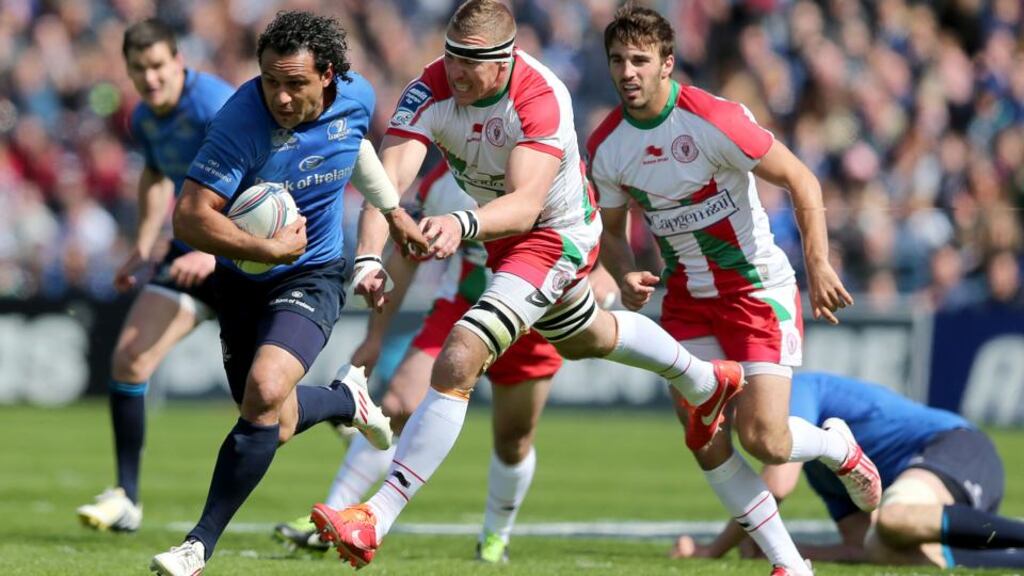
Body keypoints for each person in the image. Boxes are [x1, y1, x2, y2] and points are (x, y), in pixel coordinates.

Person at [310, 0, 743, 569]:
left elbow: (525, 206)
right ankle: (703, 378)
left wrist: (459, 222)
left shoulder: (540, 97)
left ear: (505, 59)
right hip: (502, 243)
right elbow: (387, 182)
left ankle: (376, 516)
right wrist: (368, 257)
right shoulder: (432, 87)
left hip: (554, 233)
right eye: (451, 56)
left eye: (472, 62)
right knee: (585, 335)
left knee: (458, 358)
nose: (457, 71)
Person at [587, 6, 874, 575]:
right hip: (689, 303)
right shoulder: (607, 145)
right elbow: (613, 235)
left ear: (668, 64)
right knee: (706, 439)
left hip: (754, 292)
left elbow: (801, 178)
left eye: (641, 60)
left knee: (765, 439)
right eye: (618, 60)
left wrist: (817, 262)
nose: (628, 72)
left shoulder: (713, 118)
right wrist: (623, 273)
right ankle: (790, 563)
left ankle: (838, 448)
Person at [148, 11, 428, 576]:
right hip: (244, 279)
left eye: (295, 83)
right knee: (269, 419)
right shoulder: (239, 123)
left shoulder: (356, 96)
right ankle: (349, 400)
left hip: (314, 272)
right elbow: (188, 218)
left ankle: (197, 546)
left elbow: (358, 149)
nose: (279, 95)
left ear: (328, 75)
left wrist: (393, 212)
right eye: (271, 80)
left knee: (265, 387)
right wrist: (269, 249)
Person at [277, 163, 615, 563]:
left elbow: (598, 235)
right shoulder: (443, 183)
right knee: (398, 405)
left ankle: (495, 536)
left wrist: (605, 276)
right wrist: (375, 338)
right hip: (461, 309)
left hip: (535, 318)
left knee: (514, 440)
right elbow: (406, 257)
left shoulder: (548, 167)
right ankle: (331, 518)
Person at [76, 19, 235, 534]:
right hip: (188, 252)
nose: (150, 78)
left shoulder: (215, 106)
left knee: (272, 406)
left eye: (159, 66)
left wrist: (216, 254)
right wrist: (144, 247)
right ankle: (127, 496)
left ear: (179, 63)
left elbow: (267, 173)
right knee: (129, 358)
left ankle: (347, 414)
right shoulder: (144, 118)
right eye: (139, 69)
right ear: (127, 70)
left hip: (248, 256)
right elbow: (154, 174)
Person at [672, 372, 1024, 570]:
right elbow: (858, 546)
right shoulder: (818, 463)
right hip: (941, 492)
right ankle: (1011, 558)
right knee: (882, 550)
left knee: (894, 518)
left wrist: (712, 550)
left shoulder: (797, 390)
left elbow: (778, 483)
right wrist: (782, 549)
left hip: (956, 446)